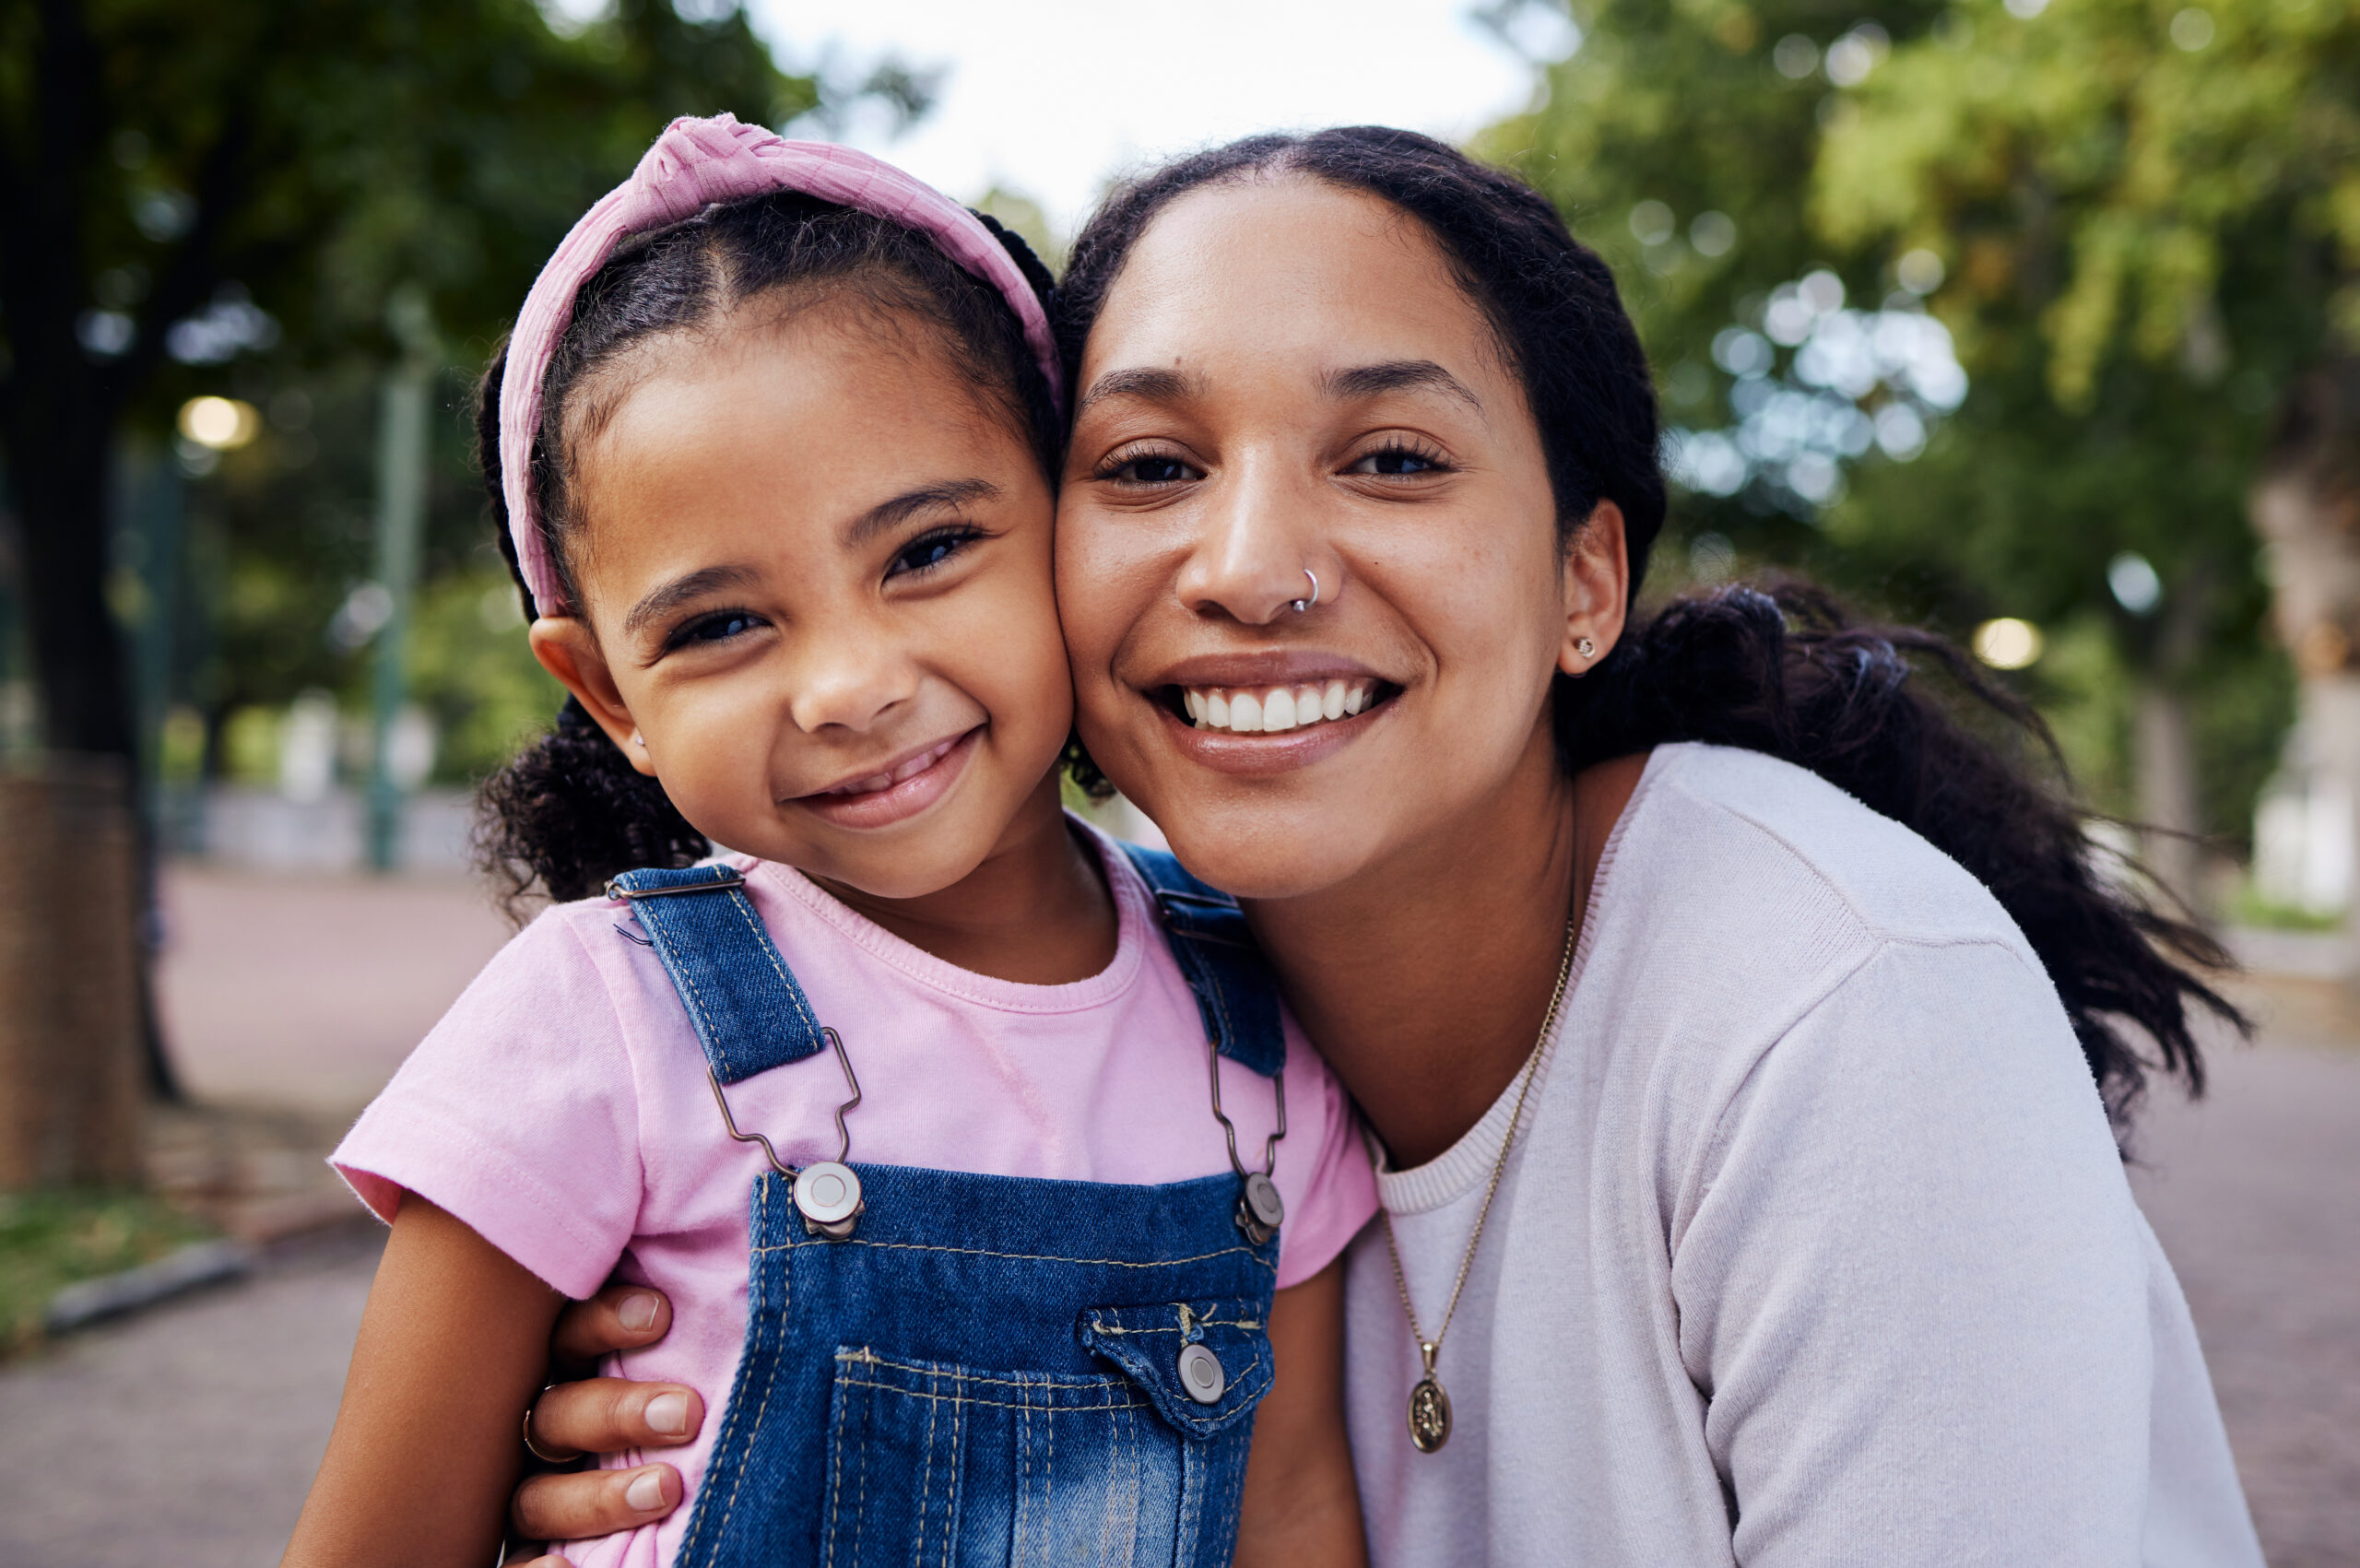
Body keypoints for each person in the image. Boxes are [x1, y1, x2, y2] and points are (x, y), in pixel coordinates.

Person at [510, 127, 2265, 1565]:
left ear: (1587, 579)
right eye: (1148, 466)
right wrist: (685, 1426)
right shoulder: (1125, 1030)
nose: (1252, 567)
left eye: (1396, 456)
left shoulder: (1850, 1006)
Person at [282, 116, 1375, 1568]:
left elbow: (1292, 1509)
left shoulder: (1258, 1032)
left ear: (1068, 521)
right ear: (610, 694)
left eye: (927, 551)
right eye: (722, 624)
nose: (852, 682)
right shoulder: (603, 1011)